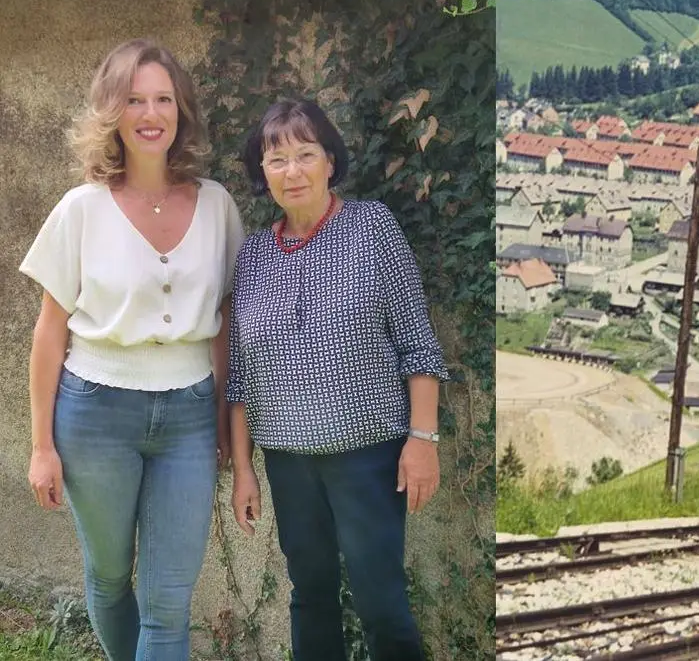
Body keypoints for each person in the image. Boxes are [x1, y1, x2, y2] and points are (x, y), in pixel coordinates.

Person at [20, 38, 245, 660]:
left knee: (169, 602)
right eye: (135, 99)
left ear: (182, 111)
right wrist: (41, 448)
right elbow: (49, 331)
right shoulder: (81, 210)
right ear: (112, 112)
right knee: (112, 578)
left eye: (164, 99)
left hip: (190, 418)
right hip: (95, 414)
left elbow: (226, 323)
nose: (151, 114)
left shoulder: (218, 206)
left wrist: (228, 418)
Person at [227, 98, 450, 661]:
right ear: (263, 174)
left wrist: (422, 442)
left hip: (368, 456)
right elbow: (240, 378)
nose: (292, 171)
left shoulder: (372, 228)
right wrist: (244, 470)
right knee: (311, 596)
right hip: (288, 461)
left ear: (330, 160)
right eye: (277, 160)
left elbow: (418, 346)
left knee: (381, 602)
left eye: (305, 154)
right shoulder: (253, 254)